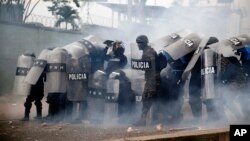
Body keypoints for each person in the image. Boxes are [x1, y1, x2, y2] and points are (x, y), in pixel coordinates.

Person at [133, 35, 161, 126]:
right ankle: (150, 119)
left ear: (144, 43)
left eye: (140, 43)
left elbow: (151, 66)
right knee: (151, 99)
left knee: (146, 98)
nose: (138, 45)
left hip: (152, 80)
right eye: (137, 43)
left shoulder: (148, 53)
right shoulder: (147, 51)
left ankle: (143, 120)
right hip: (152, 79)